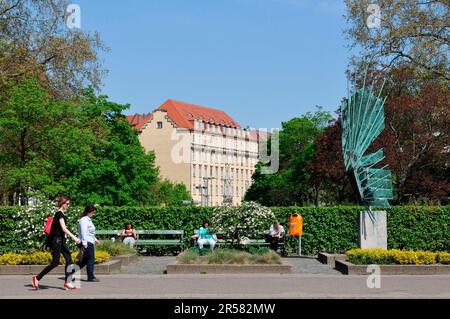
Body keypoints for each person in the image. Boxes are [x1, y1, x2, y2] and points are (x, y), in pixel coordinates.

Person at [32, 196, 81, 290]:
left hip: (61, 240)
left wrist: (65, 237)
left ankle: (68, 282)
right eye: (67, 204)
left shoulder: (62, 214)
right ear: (62, 203)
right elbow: (63, 228)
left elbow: (60, 230)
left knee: (69, 260)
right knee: (55, 263)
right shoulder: (59, 214)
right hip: (56, 241)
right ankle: (37, 278)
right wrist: (74, 238)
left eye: (69, 204)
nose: (68, 205)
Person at [77, 204, 101, 282]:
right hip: (86, 242)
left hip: (89, 241)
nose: (94, 214)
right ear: (89, 212)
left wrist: (95, 239)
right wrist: (84, 243)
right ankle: (90, 277)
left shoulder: (88, 220)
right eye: (93, 212)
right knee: (91, 259)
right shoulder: (84, 220)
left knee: (84, 260)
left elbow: (90, 233)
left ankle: (71, 272)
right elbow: (84, 232)